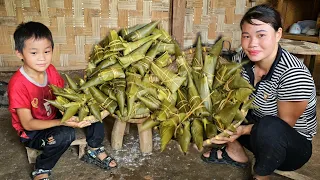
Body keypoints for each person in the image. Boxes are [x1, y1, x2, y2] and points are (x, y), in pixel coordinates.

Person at [201, 4, 317, 180]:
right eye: (246, 36)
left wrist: (242, 130)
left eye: (261, 35)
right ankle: (235, 152)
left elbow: (283, 125)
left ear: (278, 34)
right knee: (214, 101)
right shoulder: (243, 58)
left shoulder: (293, 74)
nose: (252, 43)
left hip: (288, 146)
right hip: (256, 126)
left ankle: (262, 174)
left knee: (268, 128)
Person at [8, 21, 117, 180]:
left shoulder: (50, 70)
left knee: (93, 107)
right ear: (19, 53)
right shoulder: (18, 85)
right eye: (34, 53)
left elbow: (62, 96)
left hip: (55, 116)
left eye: (47, 51)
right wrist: (64, 122)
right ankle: (42, 168)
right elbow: (28, 124)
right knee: (65, 135)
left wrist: (79, 106)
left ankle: (94, 147)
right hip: (33, 132)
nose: (42, 58)